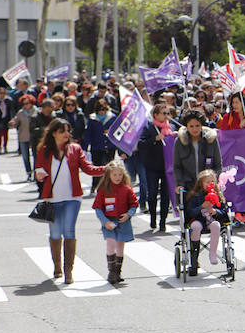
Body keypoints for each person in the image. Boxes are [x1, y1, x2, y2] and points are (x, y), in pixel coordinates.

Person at [34, 118, 105, 284]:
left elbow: (88, 168)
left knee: (69, 232)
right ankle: (57, 266)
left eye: (68, 130)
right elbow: (39, 169)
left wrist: (105, 168)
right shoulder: (44, 150)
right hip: (52, 199)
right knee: (55, 233)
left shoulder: (75, 149)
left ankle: (68, 271)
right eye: (62, 131)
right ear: (53, 133)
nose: (67, 134)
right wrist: (39, 174)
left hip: (73, 198)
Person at [92, 160, 138, 284]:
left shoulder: (127, 189)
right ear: (108, 176)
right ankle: (111, 272)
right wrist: (105, 222)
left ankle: (118, 271)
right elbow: (98, 208)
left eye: (120, 175)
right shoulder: (103, 190)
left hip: (123, 222)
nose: (117, 178)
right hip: (109, 221)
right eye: (114, 175)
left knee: (120, 247)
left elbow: (134, 204)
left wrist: (129, 214)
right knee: (110, 243)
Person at [182, 169, 229, 275]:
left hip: (211, 221)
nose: (210, 184)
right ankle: (194, 258)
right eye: (207, 182)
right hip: (198, 220)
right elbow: (189, 213)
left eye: (212, 181)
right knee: (195, 226)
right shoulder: (195, 196)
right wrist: (201, 207)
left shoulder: (217, 195)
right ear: (201, 183)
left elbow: (224, 214)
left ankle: (212, 253)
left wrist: (214, 211)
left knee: (216, 225)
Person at [138, 103, 176, 232]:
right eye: (164, 113)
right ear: (156, 115)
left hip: (167, 166)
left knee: (166, 195)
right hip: (152, 165)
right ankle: (153, 218)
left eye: (168, 113)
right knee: (153, 193)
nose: (166, 116)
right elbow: (141, 144)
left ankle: (163, 222)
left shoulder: (171, 126)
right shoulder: (149, 127)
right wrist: (154, 139)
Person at [173, 109, 222, 194]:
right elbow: (177, 166)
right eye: (191, 126)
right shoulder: (179, 141)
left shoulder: (211, 140)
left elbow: (218, 165)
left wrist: (213, 182)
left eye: (197, 125)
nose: (195, 129)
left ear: (202, 125)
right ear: (186, 126)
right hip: (188, 187)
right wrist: (179, 184)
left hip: (208, 188)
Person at [82, 99, 117, 195]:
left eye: (104, 109)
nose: (102, 112)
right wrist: (85, 149)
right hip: (97, 147)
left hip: (110, 147)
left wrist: (109, 132)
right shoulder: (92, 119)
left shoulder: (112, 117)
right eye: (100, 110)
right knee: (97, 168)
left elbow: (117, 132)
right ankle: (95, 186)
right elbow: (88, 134)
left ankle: (110, 187)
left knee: (110, 167)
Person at [10, 94, 37, 180]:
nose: (26, 105)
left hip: (34, 137)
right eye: (24, 103)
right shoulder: (21, 112)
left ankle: (36, 173)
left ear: (31, 102)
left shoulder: (36, 111)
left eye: (27, 103)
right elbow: (15, 120)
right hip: (23, 136)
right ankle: (29, 173)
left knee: (36, 156)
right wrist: (13, 122)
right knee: (25, 157)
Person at [0, 88, 11, 154]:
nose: (2, 95)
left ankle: (5, 146)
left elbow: (10, 110)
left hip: (6, 119)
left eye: (4, 93)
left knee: (5, 134)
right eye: (1, 93)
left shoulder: (8, 101)